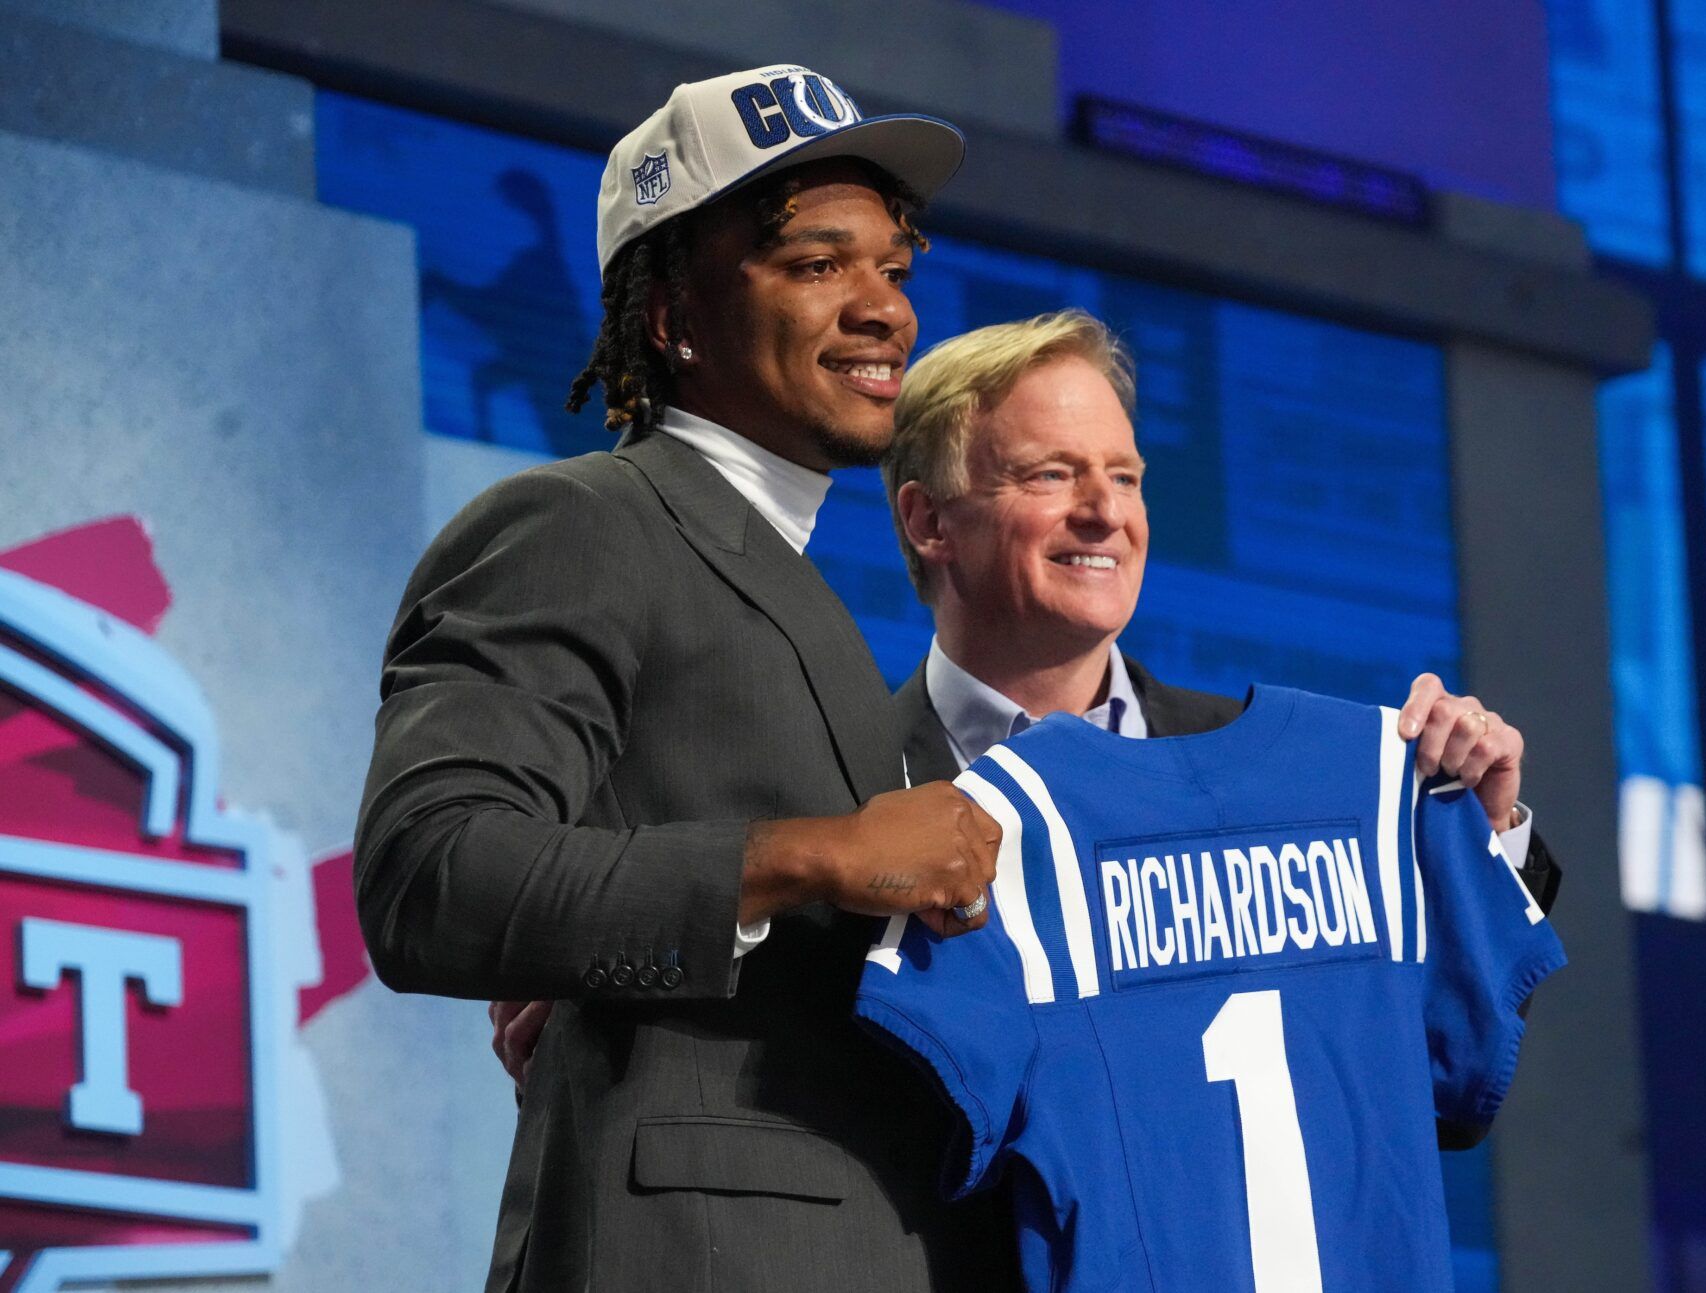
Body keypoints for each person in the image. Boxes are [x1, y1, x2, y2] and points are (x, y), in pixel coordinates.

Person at [356, 66, 1023, 1292]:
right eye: (818, 266)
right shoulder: (578, 524)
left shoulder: (790, 575)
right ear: (671, 316)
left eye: (894, 269)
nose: (884, 310)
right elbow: (427, 873)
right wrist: (807, 858)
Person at [879, 310, 1559, 1147]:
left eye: (1125, 477)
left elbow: (1427, 1082)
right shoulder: (850, 780)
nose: (1105, 513)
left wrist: (1478, 839)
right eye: (1052, 474)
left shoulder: (1277, 780)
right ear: (929, 521)